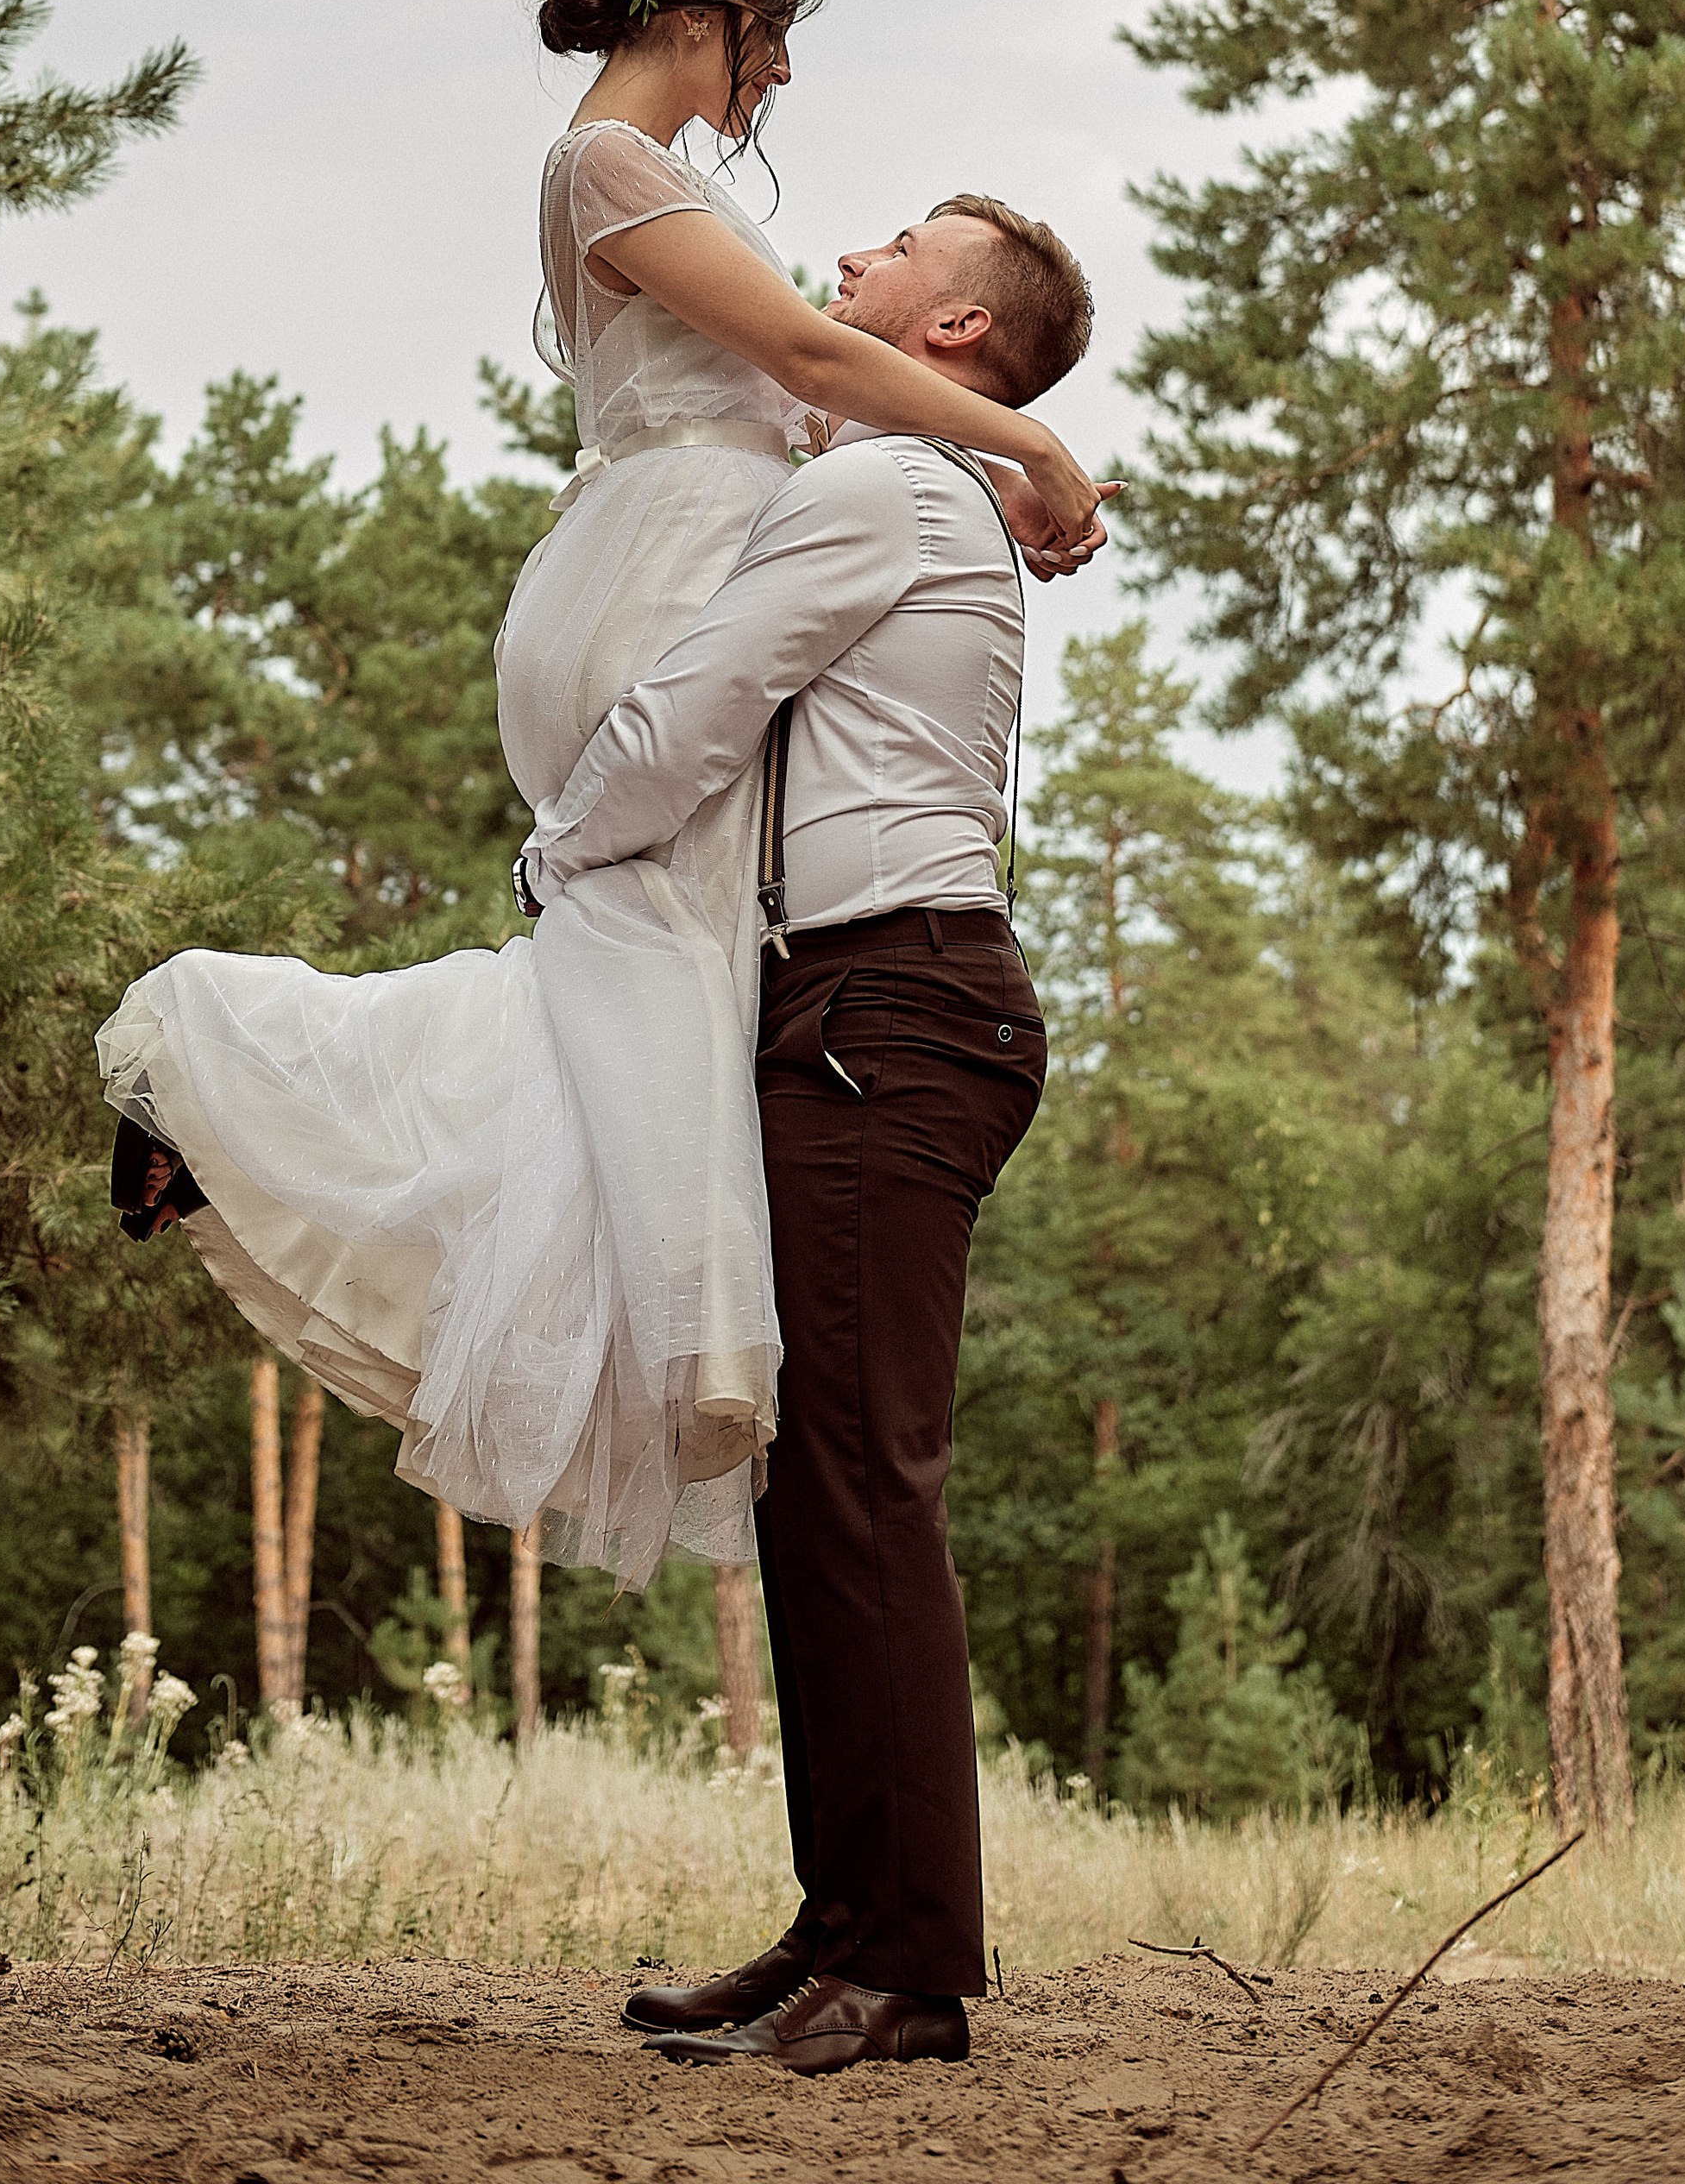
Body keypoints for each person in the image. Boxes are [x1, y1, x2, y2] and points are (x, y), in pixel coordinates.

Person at [99, 0, 1106, 1590]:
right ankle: (666, 1327)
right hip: (650, 570)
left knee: (616, 978)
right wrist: (1035, 447)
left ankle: (519, 1243)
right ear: (705, 20)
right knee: (653, 945)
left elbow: (796, 384)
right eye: (770, 41)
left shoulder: (641, 176)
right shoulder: (604, 164)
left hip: (660, 550)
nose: (776, 79)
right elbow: (800, 359)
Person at [515, 195, 1095, 2071]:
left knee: (859, 1488)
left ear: (948, 336)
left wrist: (555, 847)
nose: (846, 253)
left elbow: (692, 711)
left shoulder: (888, 490)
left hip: (883, 1013)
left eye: (896, 247)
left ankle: (907, 1969)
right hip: (867, 1013)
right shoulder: (917, 487)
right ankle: (842, 1923)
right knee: (816, 1487)